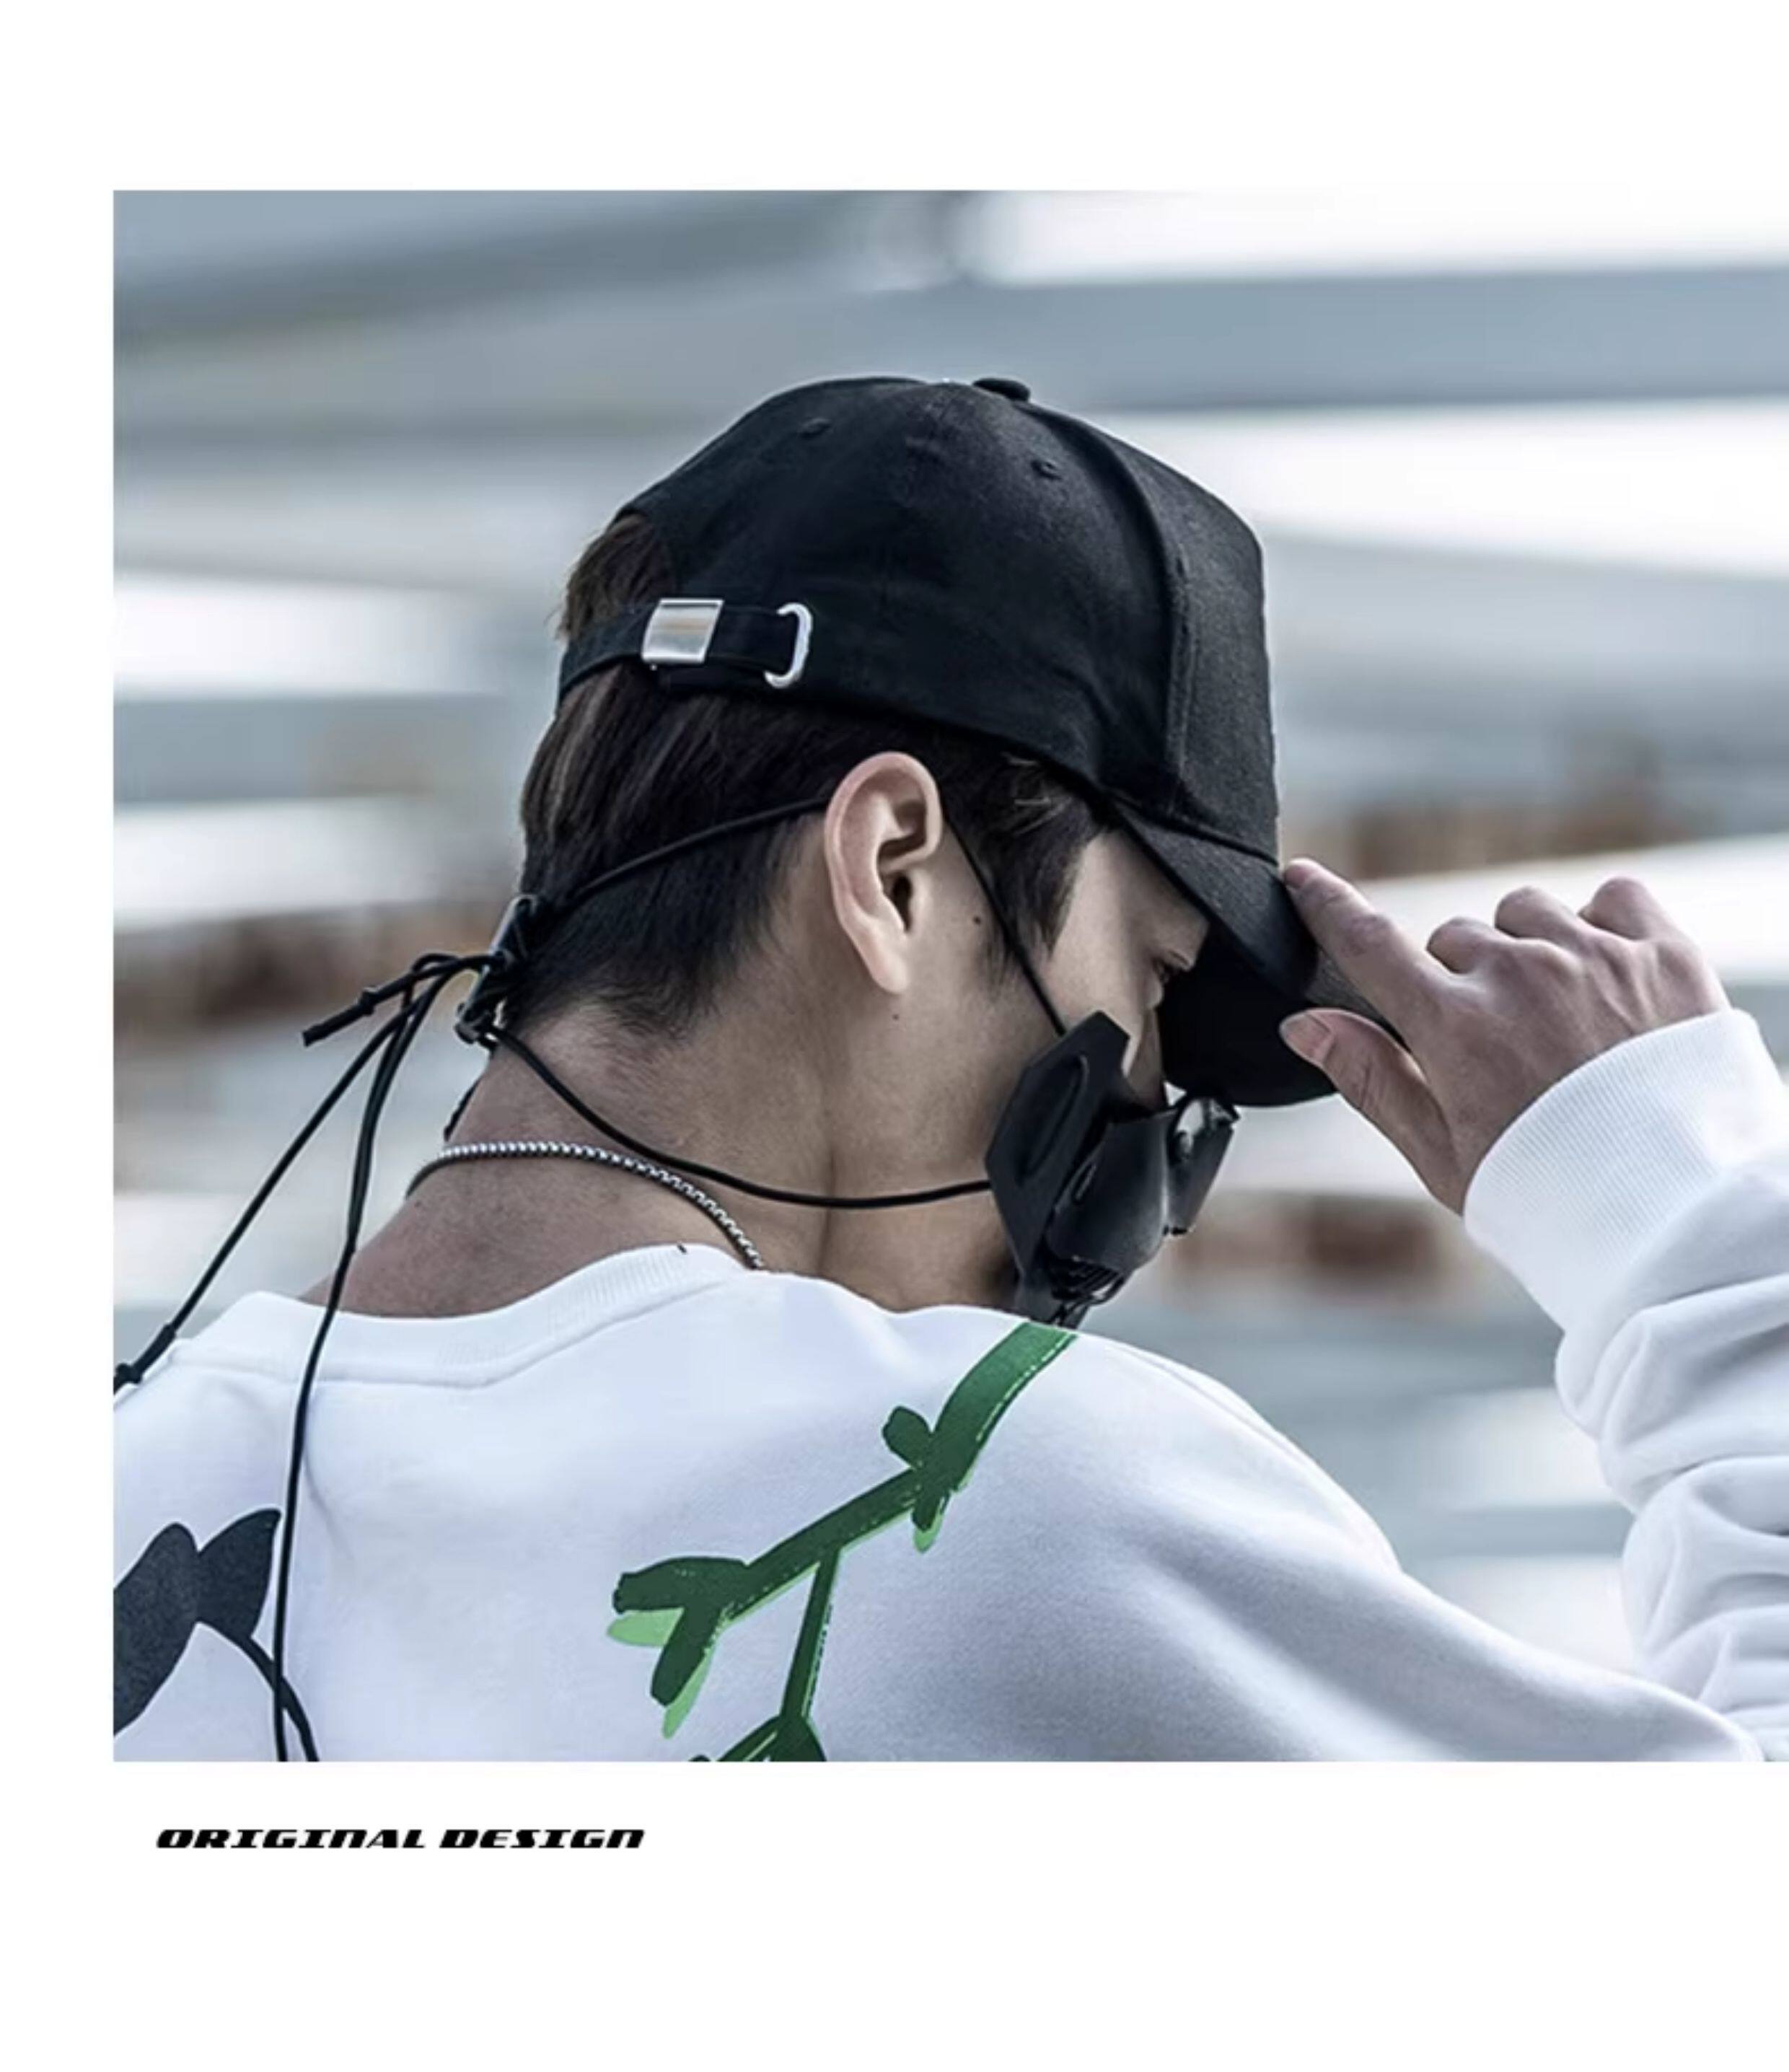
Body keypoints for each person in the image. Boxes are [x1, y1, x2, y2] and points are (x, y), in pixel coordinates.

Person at [114, 376, 1789, 1761]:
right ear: (893, 871)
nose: (1145, 1170)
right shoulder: (1005, 1498)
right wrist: (1691, 1233)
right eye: (1148, 986)